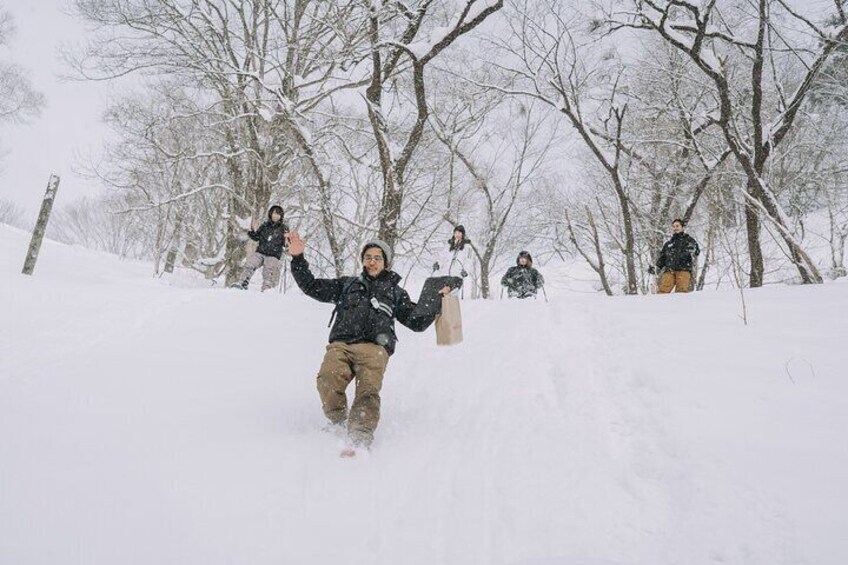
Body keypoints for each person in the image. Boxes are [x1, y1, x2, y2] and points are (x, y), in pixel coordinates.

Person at [287, 230, 450, 450]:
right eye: (368, 257)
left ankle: (360, 435)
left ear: (386, 262)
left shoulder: (396, 293)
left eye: (377, 258)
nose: (372, 262)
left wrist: (437, 299)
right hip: (342, 344)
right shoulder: (347, 285)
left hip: (375, 347)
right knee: (327, 378)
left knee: (368, 390)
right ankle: (338, 420)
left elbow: (416, 322)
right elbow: (311, 286)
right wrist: (298, 258)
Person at [232, 205, 289, 291]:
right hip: (261, 252)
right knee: (250, 264)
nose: (276, 216)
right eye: (274, 213)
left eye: (278, 214)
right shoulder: (265, 225)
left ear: (281, 216)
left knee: (268, 271)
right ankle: (243, 282)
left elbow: (287, 244)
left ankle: (266, 289)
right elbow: (256, 237)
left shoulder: (283, 228)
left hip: (274, 255)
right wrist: (251, 232)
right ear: (270, 214)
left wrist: (288, 240)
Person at [650, 218, 700, 294]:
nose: (675, 228)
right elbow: (663, 258)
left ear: (682, 227)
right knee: (663, 291)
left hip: (683, 269)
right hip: (669, 270)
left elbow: (697, 252)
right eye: (673, 226)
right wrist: (657, 268)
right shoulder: (669, 244)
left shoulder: (689, 240)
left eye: (677, 226)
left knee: (681, 292)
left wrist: (692, 249)